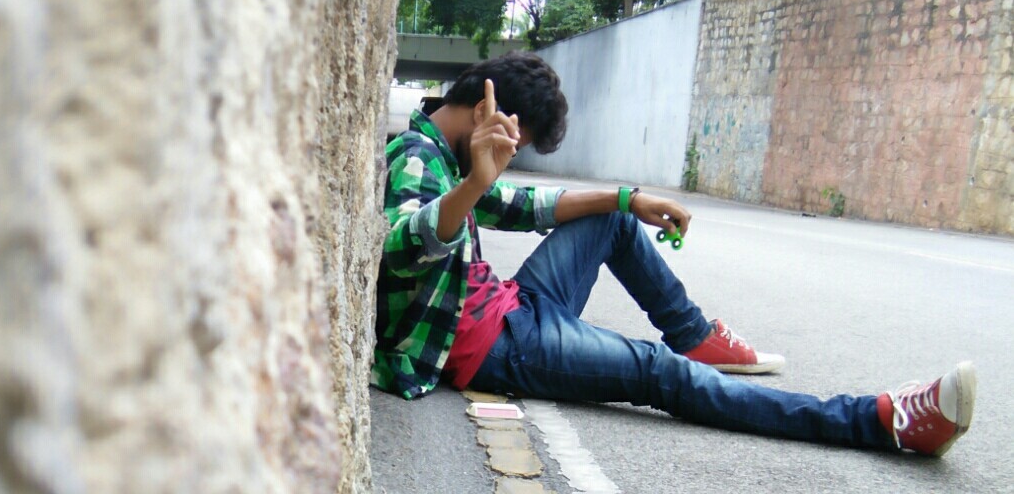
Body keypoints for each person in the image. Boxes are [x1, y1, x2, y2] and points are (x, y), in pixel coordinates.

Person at [371, 52, 975, 456]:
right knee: (661, 373)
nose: (509, 157)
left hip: (513, 307)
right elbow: (401, 246)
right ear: (485, 111)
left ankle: (694, 334)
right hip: (494, 346)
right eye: (513, 142)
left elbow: (524, 205)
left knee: (612, 218)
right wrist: (476, 182)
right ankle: (881, 421)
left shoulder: (445, 153)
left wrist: (630, 199)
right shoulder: (417, 158)